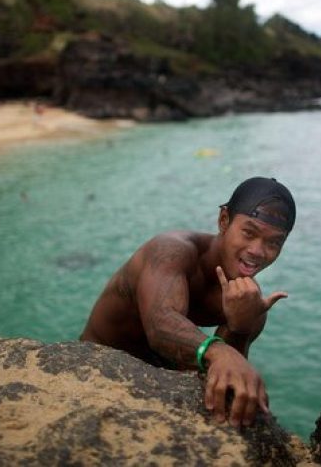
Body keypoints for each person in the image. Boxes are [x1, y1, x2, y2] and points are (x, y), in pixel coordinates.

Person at [80, 176, 296, 428]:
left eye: (273, 242)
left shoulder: (250, 304)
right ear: (223, 220)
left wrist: (240, 328)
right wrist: (218, 351)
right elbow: (160, 324)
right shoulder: (172, 252)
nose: (257, 251)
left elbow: (223, 375)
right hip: (95, 362)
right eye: (249, 233)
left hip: (160, 380)